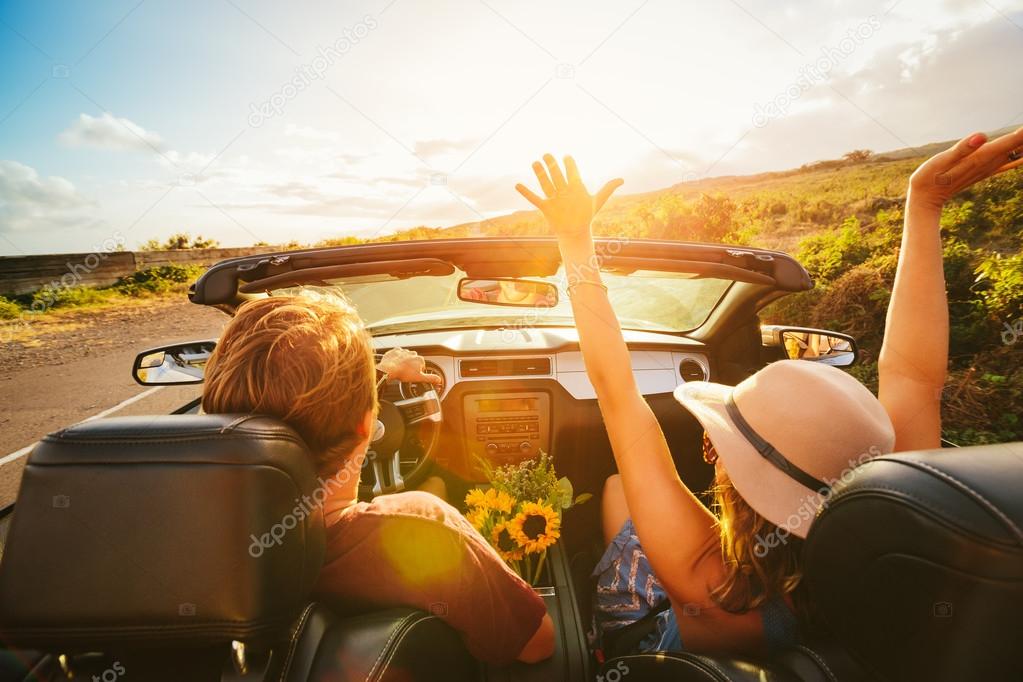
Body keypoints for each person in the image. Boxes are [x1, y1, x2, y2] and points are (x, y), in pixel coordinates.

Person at [513, 128, 1023, 656]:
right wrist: (925, 204)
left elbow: (615, 389)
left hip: (657, 643)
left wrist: (575, 240)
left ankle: (602, 636)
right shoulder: (901, 534)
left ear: (723, 463)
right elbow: (916, 378)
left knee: (618, 488)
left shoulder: (705, 578)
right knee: (626, 487)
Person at [201, 294, 555, 664]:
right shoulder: (422, 527)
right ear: (370, 426)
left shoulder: (180, 535)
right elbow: (538, 645)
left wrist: (381, 375)